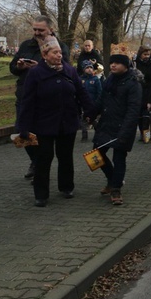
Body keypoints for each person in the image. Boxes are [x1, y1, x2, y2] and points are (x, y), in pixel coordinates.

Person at [17, 36, 95, 207]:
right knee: (44, 158)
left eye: (60, 52)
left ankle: (66, 187)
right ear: (45, 55)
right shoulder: (35, 73)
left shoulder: (70, 70)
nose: (59, 55)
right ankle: (41, 194)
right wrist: (23, 126)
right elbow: (27, 101)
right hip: (43, 124)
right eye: (54, 52)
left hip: (67, 122)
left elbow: (81, 92)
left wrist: (91, 111)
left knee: (65, 156)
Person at [10, 15, 71, 181]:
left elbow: (66, 69)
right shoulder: (26, 45)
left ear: (50, 30)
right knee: (21, 131)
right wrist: (19, 66)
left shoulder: (60, 47)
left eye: (41, 30)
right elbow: (13, 67)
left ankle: (41, 168)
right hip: (25, 96)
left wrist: (42, 68)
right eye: (35, 29)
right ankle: (35, 161)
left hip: (47, 100)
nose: (37, 33)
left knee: (44, 138)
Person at [93, 49, 143, 205]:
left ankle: (115, 190)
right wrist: (91, 113)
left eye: (117, 63)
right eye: (111, 63)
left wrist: (126, 131)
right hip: (106, 124)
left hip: (123, 127)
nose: (113, 65)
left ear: (126, 66)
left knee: (119, 158)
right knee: (95, 155)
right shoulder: (109, 80)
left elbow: (133, 109)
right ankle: (113, 179)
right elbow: (101, 100)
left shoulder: (133, 83)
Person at [133, 45, 151, 143]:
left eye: (148, 54)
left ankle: (147, 135)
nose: (146, 56)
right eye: (144, 54)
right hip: (138, 91)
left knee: (147, 117)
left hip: (149, 91)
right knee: (139, 117)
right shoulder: (136, 64)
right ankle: (142, 134)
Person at [79, 60, 102, 142]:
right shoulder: (80, 79)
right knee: (83, 120)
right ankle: (84, 136)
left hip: (93, 103)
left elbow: (99, 92)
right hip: (83, 104)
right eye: (87, 68)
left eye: (90, 67)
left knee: (94, 120)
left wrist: (97, 103)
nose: (89, 69)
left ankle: (99, 134)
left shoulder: (96, 79)